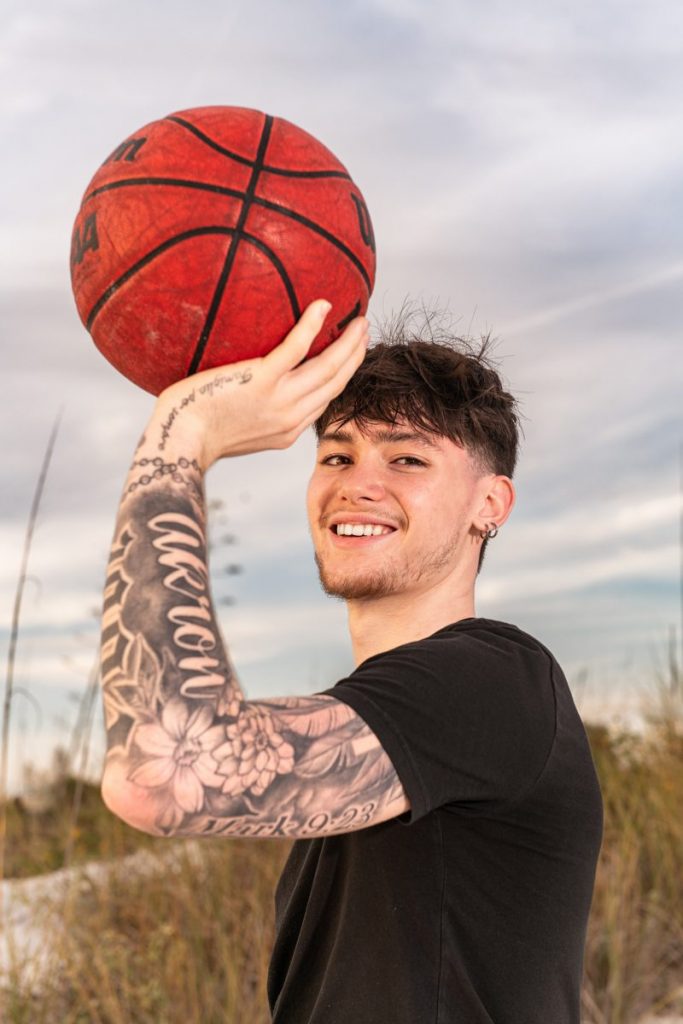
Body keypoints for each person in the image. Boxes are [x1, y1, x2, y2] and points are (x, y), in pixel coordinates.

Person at [99, 300, 604, 1024]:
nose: (357, 483)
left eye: (406, 458)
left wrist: (180, 435)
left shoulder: (495, 680)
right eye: (336, 455)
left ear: (490, 504)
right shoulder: (385, 722)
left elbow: (165, 776)